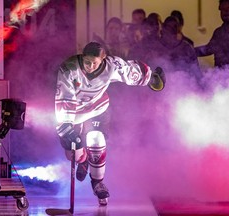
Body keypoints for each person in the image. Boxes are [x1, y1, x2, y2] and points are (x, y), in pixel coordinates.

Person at [54, 42, 165, 205]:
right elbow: (65, 96)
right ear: (82, 57)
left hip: (98, 108)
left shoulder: (112, 65)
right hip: (74, 112)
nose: (90, 66)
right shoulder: (69, 69)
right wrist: (66, 125)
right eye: (87, 62)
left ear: (103, 59)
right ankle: (83, 159)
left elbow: (131, 71)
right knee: (72, 153)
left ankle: (97, 182)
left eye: (95, 63)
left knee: (96, 138)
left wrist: (152, 78)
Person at [195, 0, 229, 70]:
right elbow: (208, 49)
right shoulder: (218, 32)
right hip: (220, 77)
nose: (225, 11)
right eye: (223, 9)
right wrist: (190, 51)